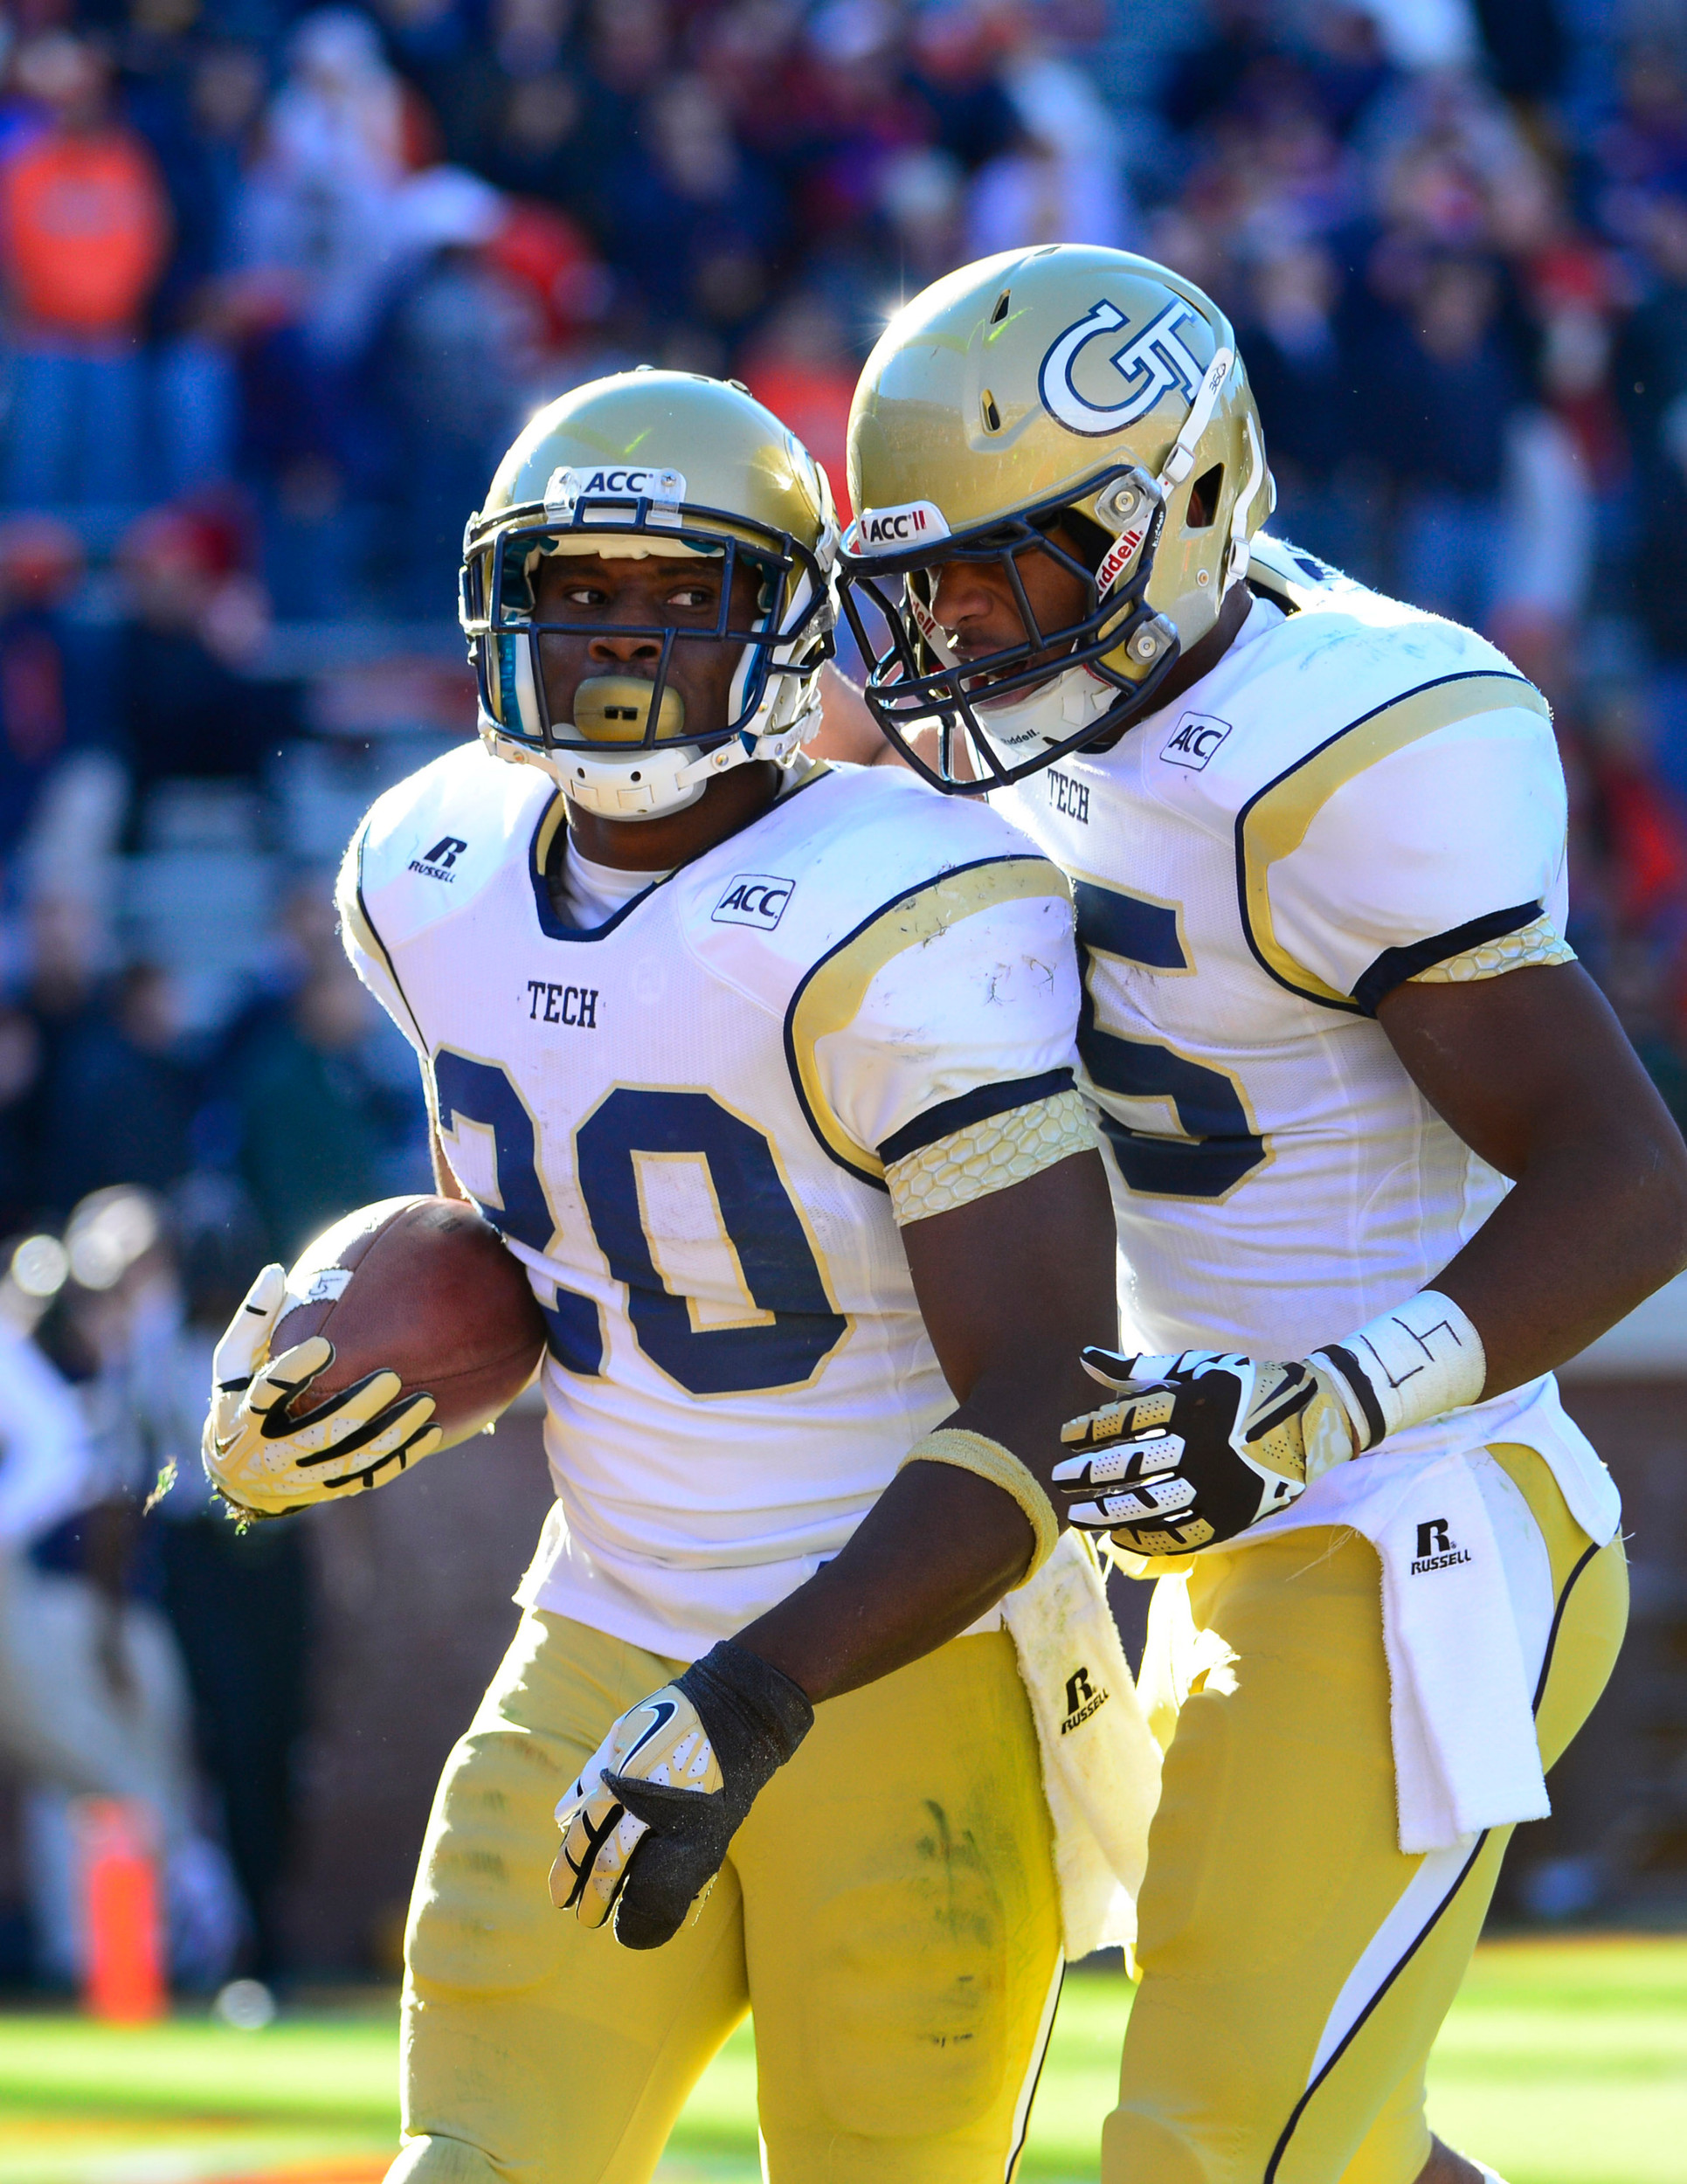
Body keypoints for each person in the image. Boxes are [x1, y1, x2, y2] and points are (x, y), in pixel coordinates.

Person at [204, 372, 1124, 2181]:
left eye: (680, 593)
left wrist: (763, 1686)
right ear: (500, 609)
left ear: (780, 621)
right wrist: (353, 1346)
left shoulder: (912, 904)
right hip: (602, 1627)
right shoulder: (429, 861)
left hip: (890, 1661)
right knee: (465, 2162)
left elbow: (1049, 1381)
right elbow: (520, 1243)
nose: (622, 638)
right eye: (580, 590)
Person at [835, 244, 1686, 2184]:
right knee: (1334, 2144)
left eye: (1012, 562)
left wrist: (1328, 1396)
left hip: (1410, 1521)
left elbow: (1634, 1177)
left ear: (1188, 504)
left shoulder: (1357, 745)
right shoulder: (1066, 720)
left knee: (1211, 2152)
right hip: (1217, 1521)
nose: (959, 623)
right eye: (924, 577)